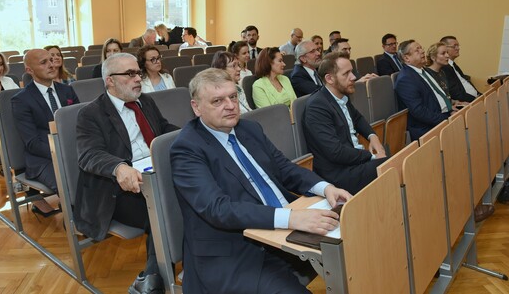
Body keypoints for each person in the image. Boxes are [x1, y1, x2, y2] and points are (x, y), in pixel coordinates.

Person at [170, 68, 352, 294]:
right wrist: (291, 218)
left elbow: (284, 168)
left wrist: (325, 188)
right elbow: (218, 209)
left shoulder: (249, 128)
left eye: (233, 97)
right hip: (237, 252)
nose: (230, 105)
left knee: (359, 245)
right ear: (196, 108)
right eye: (218, 101)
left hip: (281, 233)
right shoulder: (186, 148)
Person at [74, 52, 177, 294]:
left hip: (153, 177)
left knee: (189, 194)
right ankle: (154, 277)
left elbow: (163, 129)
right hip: (116, 192)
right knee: (163, 208)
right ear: (110, 80)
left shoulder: (145, 102)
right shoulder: (91, 114)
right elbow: (89, 155)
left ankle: (166, 269)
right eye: (129, 74)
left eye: (138, 73)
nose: (138, 78)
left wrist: (189, 136)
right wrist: (119, 167)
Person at [303, 52, 388, 194]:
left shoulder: (340, 96)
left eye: (352, 71)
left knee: (395, 159)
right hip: (339, 174)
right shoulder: (316, 106)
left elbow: (357, 118)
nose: (354, 77)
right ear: (329, 78)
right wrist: (371, 156)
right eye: (346, 73)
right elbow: (336, 152)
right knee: (393, 165)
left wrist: (373, 136)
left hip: (353, 161)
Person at [12, 49, 80, 216]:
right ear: (29, 70)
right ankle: (77, 221)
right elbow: (32, 143)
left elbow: (80, 124)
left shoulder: (67, 91)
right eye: (43, 62)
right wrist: (63, 154)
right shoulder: (22, 100)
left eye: (51, 60)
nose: (51, 64)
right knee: (69, 183)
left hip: (74, 151)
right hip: (42, 159)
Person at [394, 40, 451, 141]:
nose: (422, 51)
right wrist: (446, 118)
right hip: (427, 128)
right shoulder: (405, 79)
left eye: (421, 48)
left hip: (442, 115)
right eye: (417, 50)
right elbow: (419, 112)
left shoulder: (424, 71)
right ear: (407, 58)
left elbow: (435, 96)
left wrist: (450, 108)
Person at [424, 42, 467, 107]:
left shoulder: (442, 72)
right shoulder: (427, 74)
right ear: (433, 57)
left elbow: (446, 96)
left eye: (447, 52)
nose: (447, 55)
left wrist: (455, 102)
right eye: (443, 53)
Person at [440, 36, 480, 102]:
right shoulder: (444, 68)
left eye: (458, 45)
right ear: (445, 48)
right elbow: (455, 93)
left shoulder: (454, 65)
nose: (458, 48)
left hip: (475, 99)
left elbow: (466, 82)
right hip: (468, 102)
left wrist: (480, 95)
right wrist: (475, 100)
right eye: (454, 46)